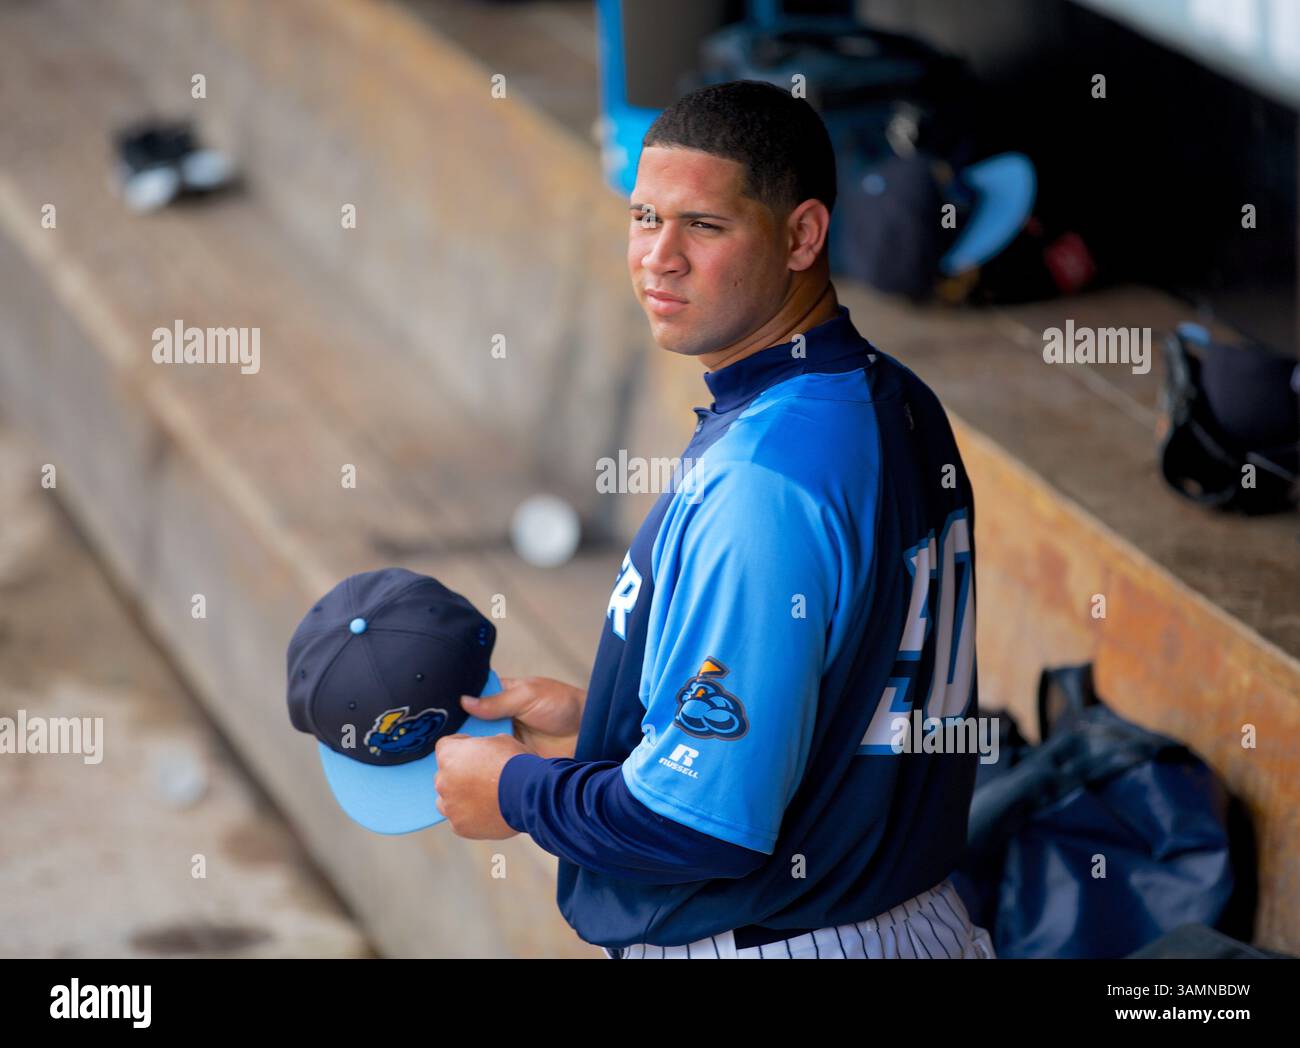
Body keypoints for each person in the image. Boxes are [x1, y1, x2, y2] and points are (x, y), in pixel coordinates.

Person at [432, 79, 994, 960]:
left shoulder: (765, 477)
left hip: (790, 938)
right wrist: (610, 724)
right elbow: (837, 698)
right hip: (904, 918)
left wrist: (518, 795)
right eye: (644, 217)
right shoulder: (891, 398)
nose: (659, 257)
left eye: (703, 226)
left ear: (803, 235)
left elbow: (703, 830)